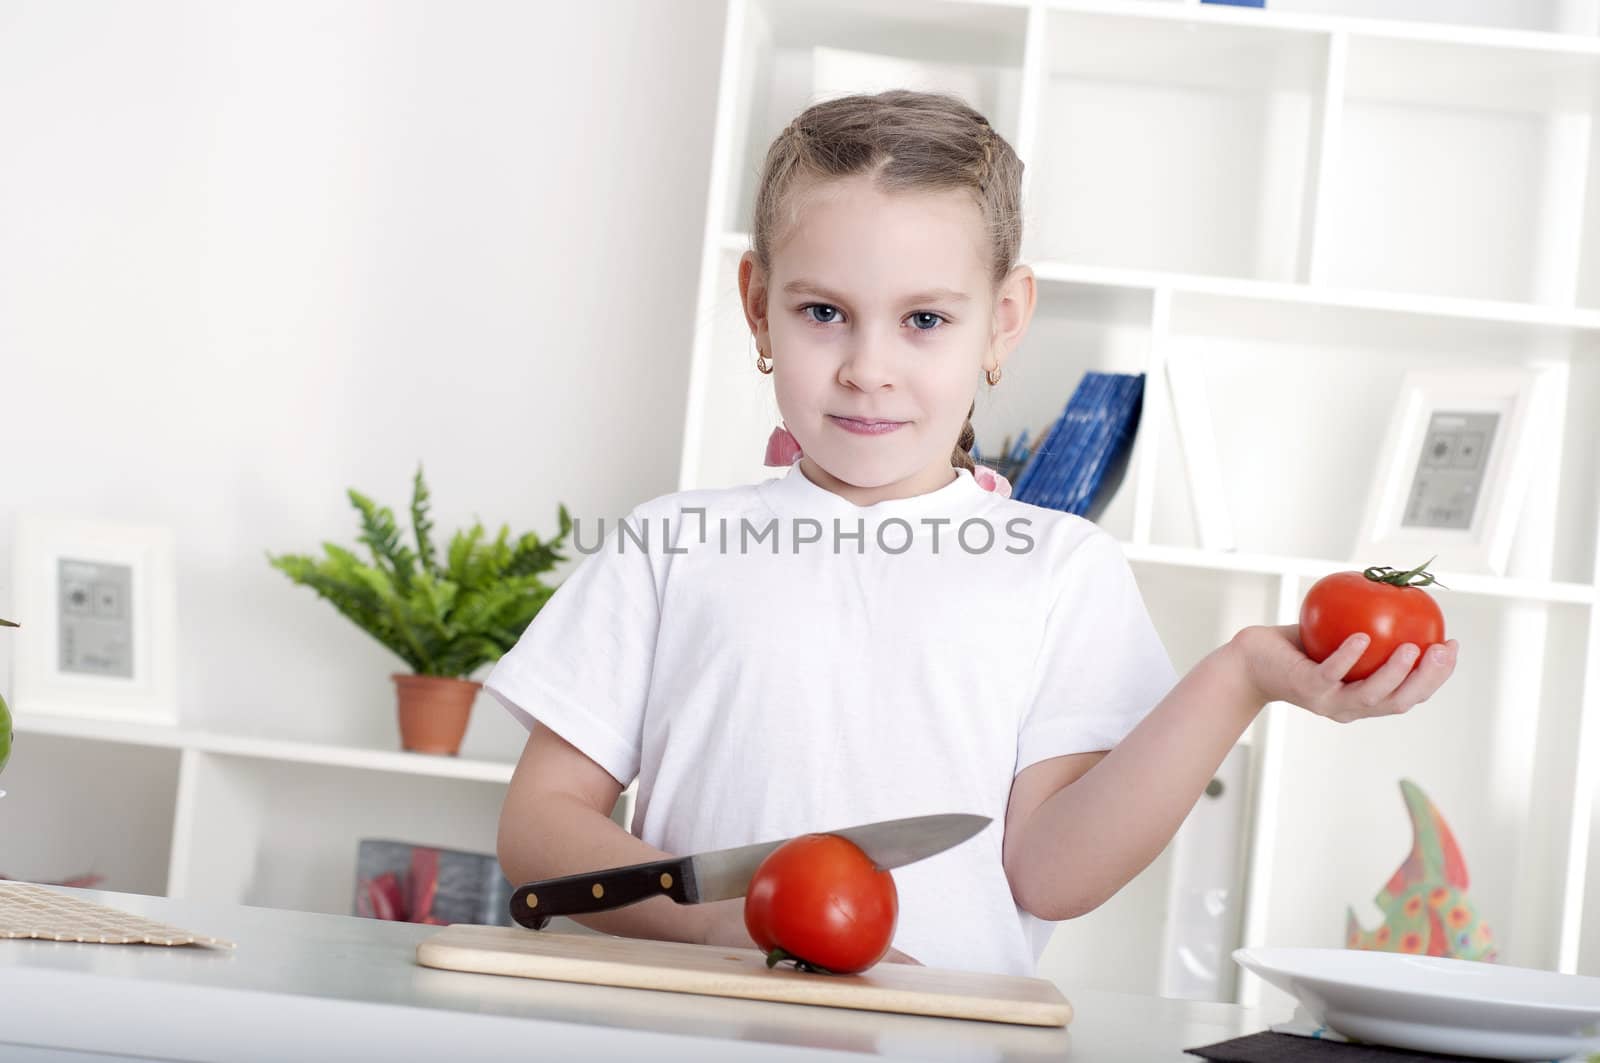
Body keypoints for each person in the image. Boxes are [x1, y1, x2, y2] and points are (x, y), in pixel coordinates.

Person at [487, 90, 1459, 977]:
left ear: (1001, 321)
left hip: (945, 1042)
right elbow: (539, 829)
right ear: (758, 308)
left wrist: (1239, 674)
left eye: (923, 320)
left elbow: (1051, 876)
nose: (869, 367)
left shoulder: (1058, 569)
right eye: (824, 311)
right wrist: (720, 925)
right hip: (681, 1032)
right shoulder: (672, 545)